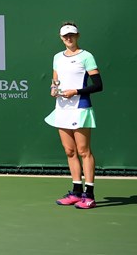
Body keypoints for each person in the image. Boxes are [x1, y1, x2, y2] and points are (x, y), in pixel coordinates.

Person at [44, 22, 103, 209]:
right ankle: (77, 192)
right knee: (69, 151)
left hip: (80, 107)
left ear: (77, 36)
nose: (69, 38)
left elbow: (98, 85)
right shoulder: (57, 58)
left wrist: (75, 91)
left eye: (72, 35)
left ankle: (89, 195)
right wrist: (53, 89)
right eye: (65, 36)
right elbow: (56, 80)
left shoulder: (87, 57)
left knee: (84, 151)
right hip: (61, 109)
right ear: (61, 38)